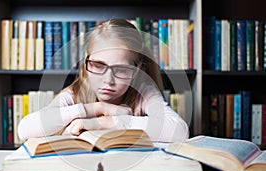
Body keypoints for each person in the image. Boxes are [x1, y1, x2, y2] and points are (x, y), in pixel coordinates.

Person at [18, 19, 189, 142]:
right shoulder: (75, 93)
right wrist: (97, 108)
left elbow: (179, 131)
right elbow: (24, 129)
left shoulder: (143, 93)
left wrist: (108, 122)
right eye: (99, 66)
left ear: (137, 70)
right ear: (86, 63)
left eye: (121, 69)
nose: (108, 80)